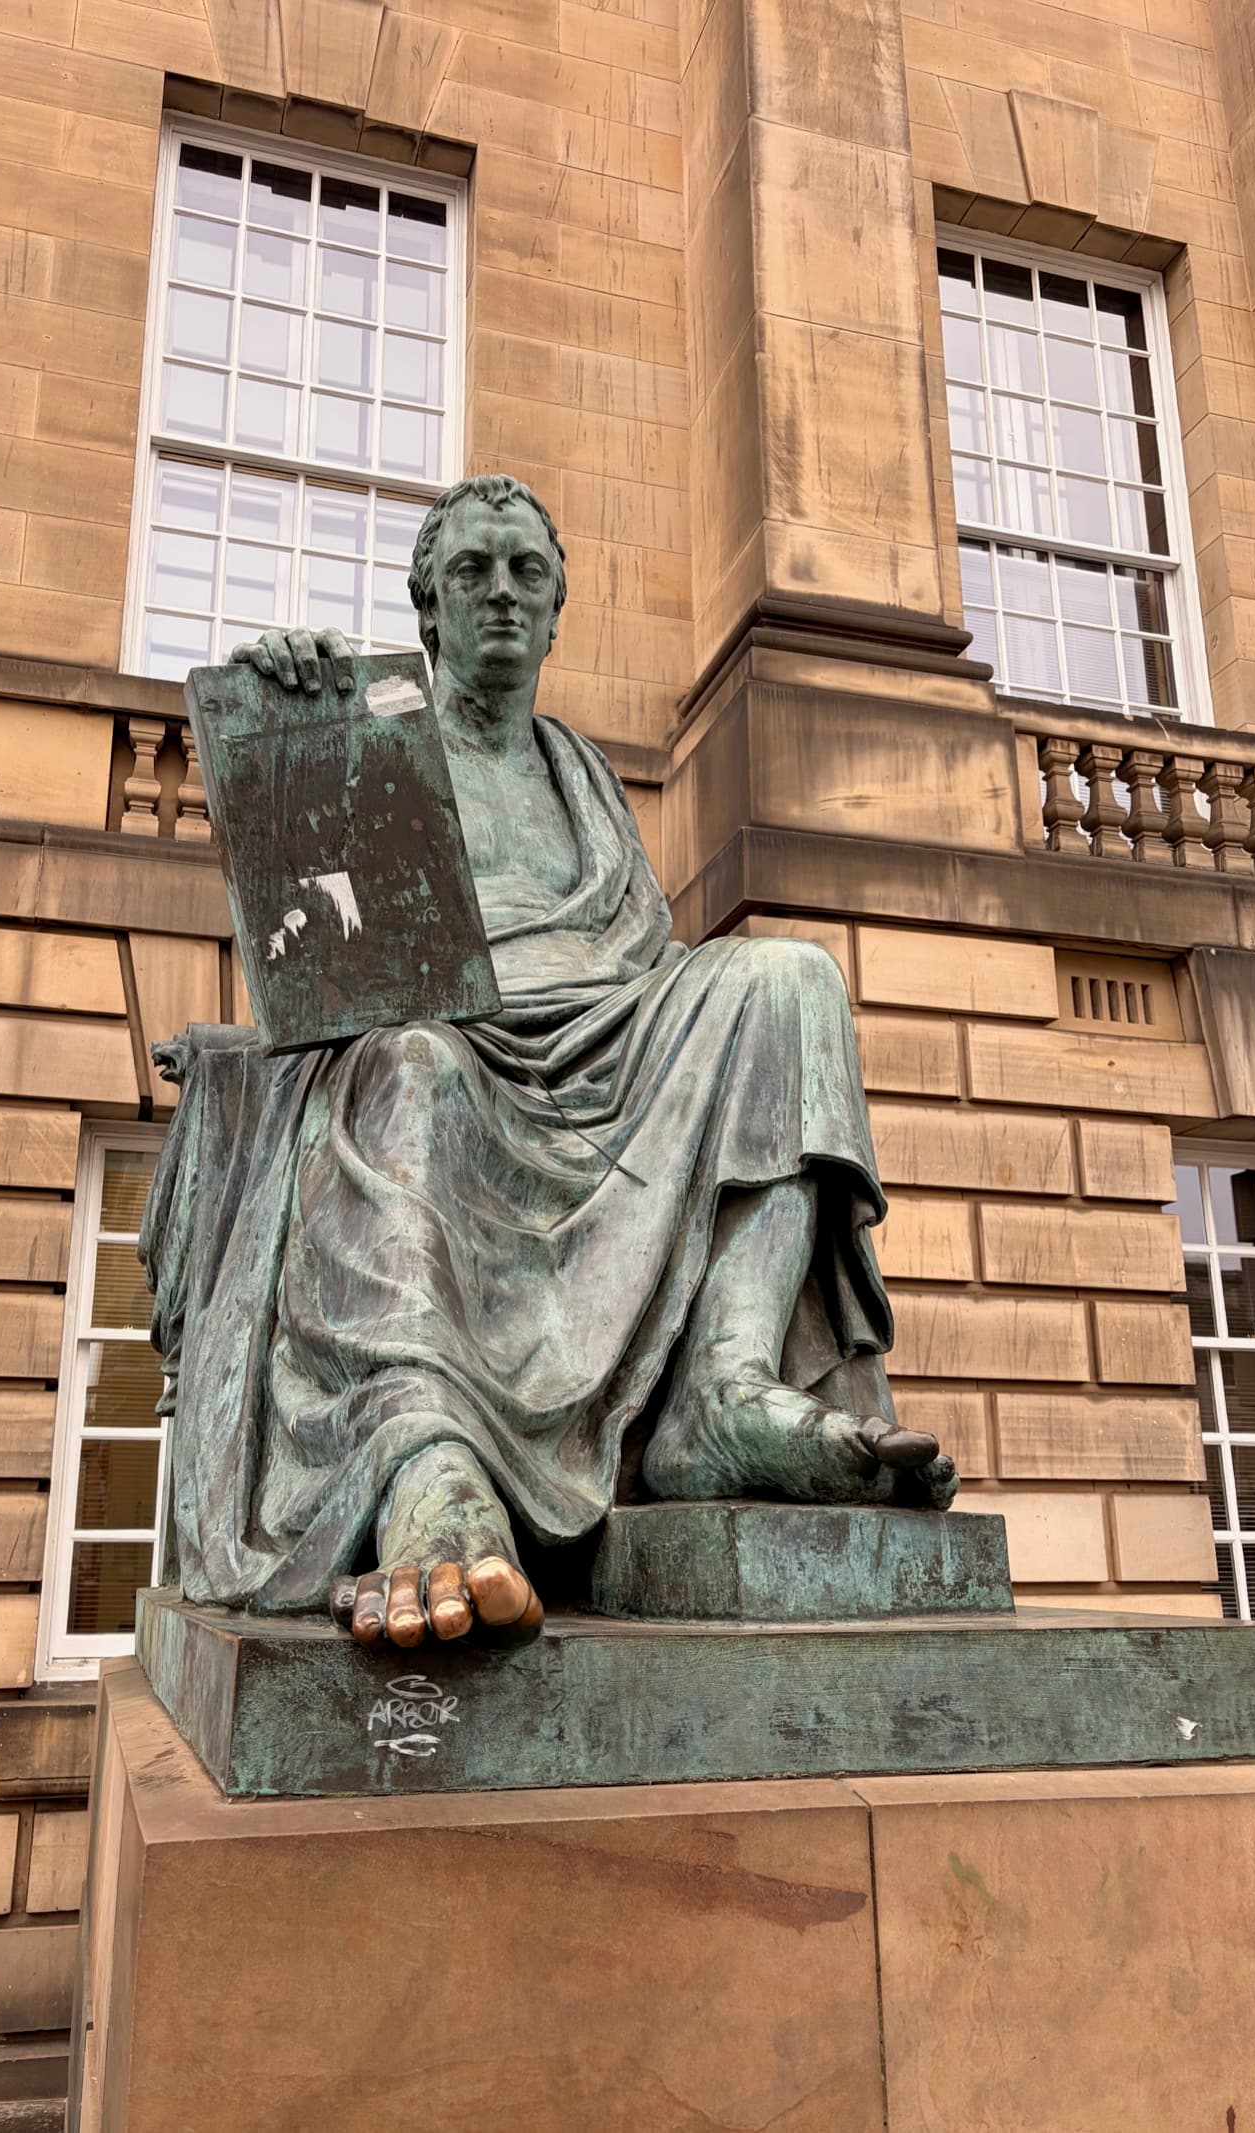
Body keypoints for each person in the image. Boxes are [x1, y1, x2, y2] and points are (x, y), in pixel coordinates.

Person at [140, 473, 955, 1653]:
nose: (502, 596)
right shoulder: (375, 739)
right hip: (455, 1041)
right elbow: (309, 954)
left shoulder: (582, 776)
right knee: (406, 1067)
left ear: (560, 608)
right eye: (471, 573)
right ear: (427, 610)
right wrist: (292, 719)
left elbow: (638, 946)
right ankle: (430, 1464)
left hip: (612, 1030)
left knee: (787, 978)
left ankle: (720, 1387)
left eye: (527, 573)